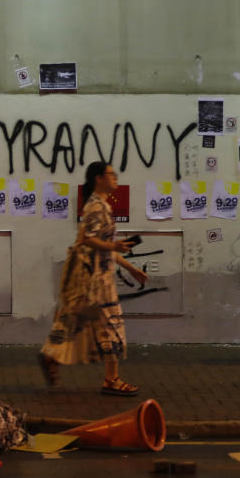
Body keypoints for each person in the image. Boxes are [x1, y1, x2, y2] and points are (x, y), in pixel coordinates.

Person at [38, 162, 148, 396]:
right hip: (96, 281)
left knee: (78, 322)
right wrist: (114, 245)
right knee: (111, 325)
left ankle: (51, 356)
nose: (115, 177)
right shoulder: (95, 207)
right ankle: (111, 379)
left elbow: (105, 247)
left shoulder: (102, 206)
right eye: (111, 174)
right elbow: (86, 239)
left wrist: (130, 268)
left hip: (98, 277)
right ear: (98, 178)